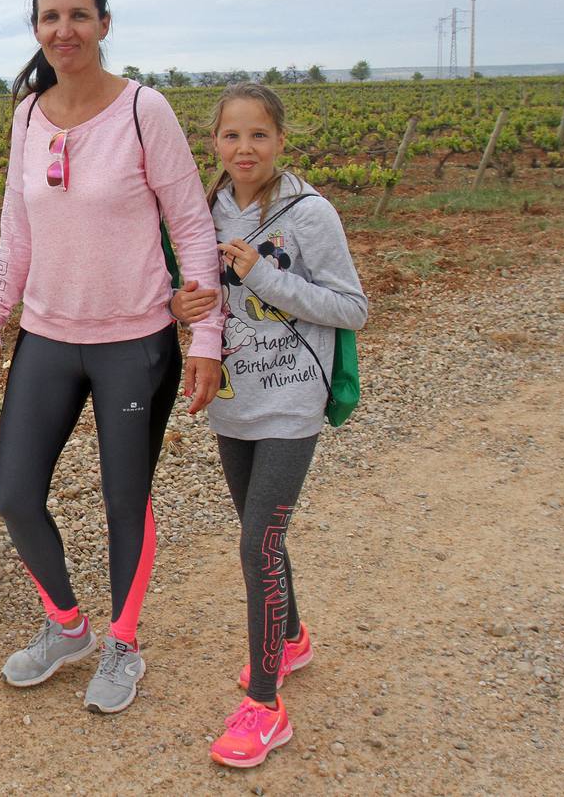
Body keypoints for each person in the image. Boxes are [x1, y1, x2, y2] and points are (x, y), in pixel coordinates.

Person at [0, 0, 223, 715]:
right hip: (46, 334)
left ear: (104, 23)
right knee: (13, 494)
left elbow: (191, 226)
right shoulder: (27, 116)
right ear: (35, 28)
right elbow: (16, 235)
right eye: (49, 17)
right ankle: (67, 626)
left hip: (134, 340)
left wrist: (206, 338)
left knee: (123, 496)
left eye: (78, 15)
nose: (63, 31)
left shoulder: (145, 111)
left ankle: (124, 642)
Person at [170, 82, 368, 766]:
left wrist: (264, 277)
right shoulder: (206, 210)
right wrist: (182, 305)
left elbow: (353, 307)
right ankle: (291, 642)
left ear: (281, 140)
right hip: (233, 402)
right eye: (231, 135)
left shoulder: (309, 214)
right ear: (214, 142)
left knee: (257, 543)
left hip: (291, 405)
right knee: (263, 535)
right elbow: (193, 296)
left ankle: (264, 704)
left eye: (258, 135)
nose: (244, 148)